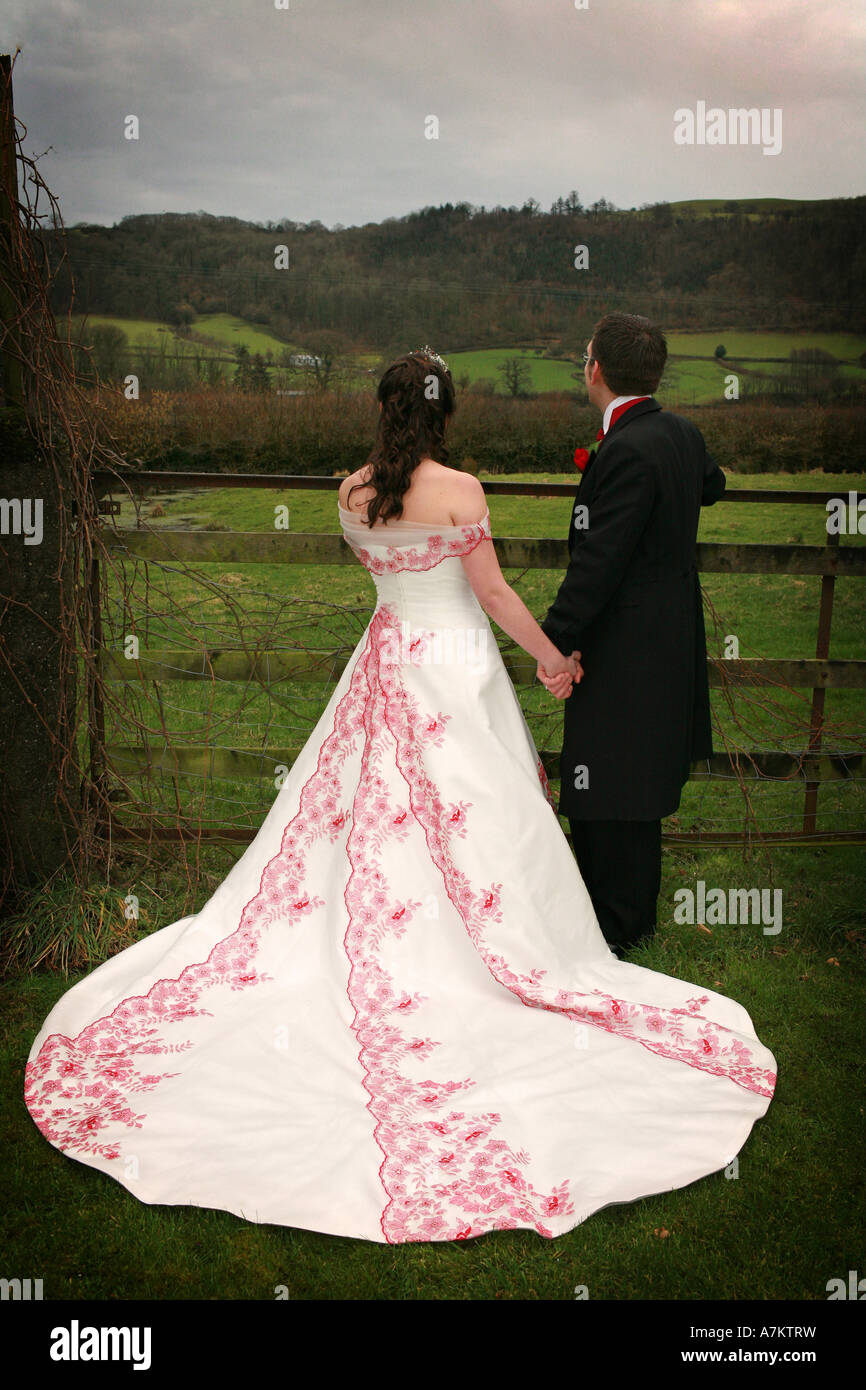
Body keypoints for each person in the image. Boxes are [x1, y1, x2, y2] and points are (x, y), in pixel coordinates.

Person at [24, 349, 775, 1245]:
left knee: (361, 821)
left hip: (389, 659)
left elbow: (388, 580)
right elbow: (491, 591)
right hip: (455, 667)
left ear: (381, 409)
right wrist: (553, 656)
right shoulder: (460, 489)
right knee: (477, 817)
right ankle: (497, 954)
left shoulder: (351, 495)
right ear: (445, 411)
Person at [538, 313, 725, 958]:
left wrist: (557, 637)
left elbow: (600, 559)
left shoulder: (626, 448)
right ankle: (627, 913)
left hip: (625, 639)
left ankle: (614, 922)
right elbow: (713, 485)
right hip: (670, 631)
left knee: (609, 766)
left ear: (596, 369)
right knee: (636, 769)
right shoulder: (679, 433)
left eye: (585, 356)